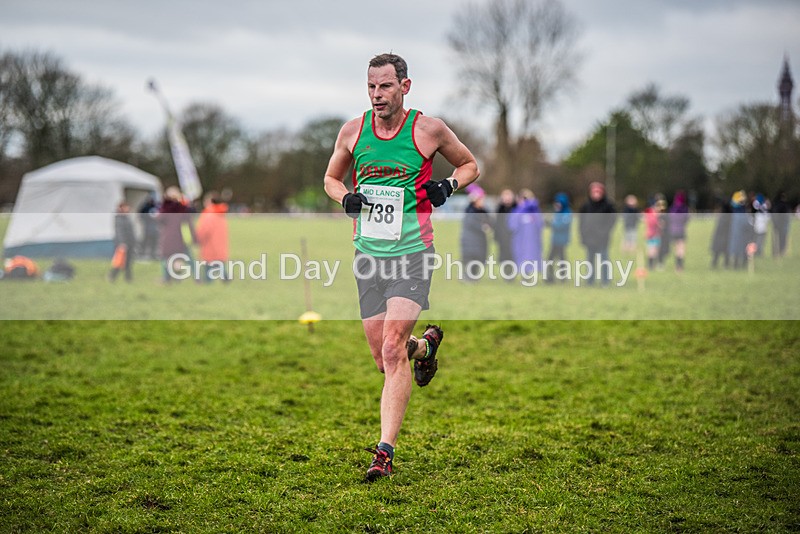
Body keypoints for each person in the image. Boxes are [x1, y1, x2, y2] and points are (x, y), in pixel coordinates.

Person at [322, 53, 480, 481]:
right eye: (371, 86)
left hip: (413, 252)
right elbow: (331, 179)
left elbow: (470, 164)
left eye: (386, 86)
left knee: (393, 350)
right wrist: (345, 198)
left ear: (405, 87)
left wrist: (448, 184)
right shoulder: (352, 131)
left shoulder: (428, 129)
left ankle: (384, 453)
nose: (377, 94)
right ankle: (425, 348)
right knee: (384, 357)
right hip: (369, 255)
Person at [578, 182, 617, 285]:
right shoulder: (585, 206)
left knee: (604, 259)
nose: (596, 194)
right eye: (594, 192)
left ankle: (605, 280)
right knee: (590, 260)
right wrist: (583, 235)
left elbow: (612, 220)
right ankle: (590, 280)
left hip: (602, 238)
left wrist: (604, 231)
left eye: (598, 192)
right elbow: (581, 223)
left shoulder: (608, 206)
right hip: (589, 238)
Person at [157, 186, 196, 283]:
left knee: (167, 259)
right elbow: (189, 223)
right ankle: (197, 278)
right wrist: (194, 238)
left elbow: (159, 219)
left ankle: (167, 279)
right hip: (181, 238)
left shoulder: (165, 209)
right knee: (188, 259)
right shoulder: (183, 208)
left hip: (168, 239)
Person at [508, 189, 544, 279]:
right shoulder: (518, 212)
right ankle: (525, 276)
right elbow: (512, 226)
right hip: (521, 242)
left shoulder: (534, 212)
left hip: (532, 243)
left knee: (531, 260)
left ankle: (529, 277)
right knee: (523, 259)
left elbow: (540, 225)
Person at [195, 191, 230, 283]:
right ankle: (225, 280)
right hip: (220, 246)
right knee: (219, 264)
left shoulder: (208, 214)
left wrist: (197, 240)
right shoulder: (221, 213)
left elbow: (203, 231)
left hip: (209, 246)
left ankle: (208, 282)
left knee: (209, 267)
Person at [460, 184, 491, 282]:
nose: (483, 201)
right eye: (481, 199)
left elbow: (490, 221)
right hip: (471, 241)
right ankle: (467, 277)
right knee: (471, 259)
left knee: (479, 260)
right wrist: (483, 227)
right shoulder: (470, 211)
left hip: (479, 242)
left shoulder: (483, 211)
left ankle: (473, 277)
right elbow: (473, 224)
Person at [544, 192, 572, 283]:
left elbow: (562, 226)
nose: (557, 204)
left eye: (559, 203)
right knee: (550, 259)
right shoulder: (557, 213)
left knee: (561, 260)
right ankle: (550, 278)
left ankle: (562, 277)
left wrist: (551, 224)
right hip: (554, 240)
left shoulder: (567, 213)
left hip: (562, 241)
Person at [108, 201, 136, 282]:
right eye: (126, 207)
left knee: (128, 262)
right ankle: (112, 276)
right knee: (119, 262)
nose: (128, 209)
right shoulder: (119, 218)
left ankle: (128, 278)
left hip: (130, 243)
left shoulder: (126, 218)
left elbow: (131, 231)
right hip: (123, 244)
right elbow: (119, 232)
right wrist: (122, 243)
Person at [493, 189, 517, 267]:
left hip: (513, 237)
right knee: (503, 256)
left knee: (513, 255)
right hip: (502, 238)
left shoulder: (516, 208)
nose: (507, 198)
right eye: (505, 196)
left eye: (508, 196)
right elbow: (497, 224)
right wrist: (496, 236)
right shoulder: (499, 209)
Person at [668, 190, 690, 272]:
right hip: (681, 231)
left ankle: (677, 266)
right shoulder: (685, 208)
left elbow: (670, 219)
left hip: (673, 231)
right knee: (681, 249)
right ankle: (680, 266)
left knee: (676, 249)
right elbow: (687, 219)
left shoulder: (672, 208)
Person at [710, 195, 732, 269]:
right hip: (724, 236)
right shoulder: (729, 217)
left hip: (721, 236)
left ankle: (716, 263)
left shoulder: (723, 217)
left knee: (718, 251)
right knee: (725, 251)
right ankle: (725, 264)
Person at [643, 198, 665, 271]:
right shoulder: (651, 213)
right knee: (652, 250)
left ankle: (652, 265)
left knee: (654, 250)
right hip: (652, 234)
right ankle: (651, 265)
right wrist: (659, 223)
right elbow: (652, 223)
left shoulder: (654, 212)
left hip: (655, 234)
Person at [137, 194, 160, 260]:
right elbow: (141, 215)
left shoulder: (156, 206)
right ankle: (141, 253)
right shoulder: (145, 207)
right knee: (145, 240)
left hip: (155, 227)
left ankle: (153, 254)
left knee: (154, 242)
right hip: (147, 227)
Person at [771, 191, 791, 257]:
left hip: (777, 225)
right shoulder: (784, 205)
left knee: (776, 239)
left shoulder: (776, 205)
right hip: (782, 225)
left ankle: (776, 252)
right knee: (782, 239)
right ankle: (781, 251)